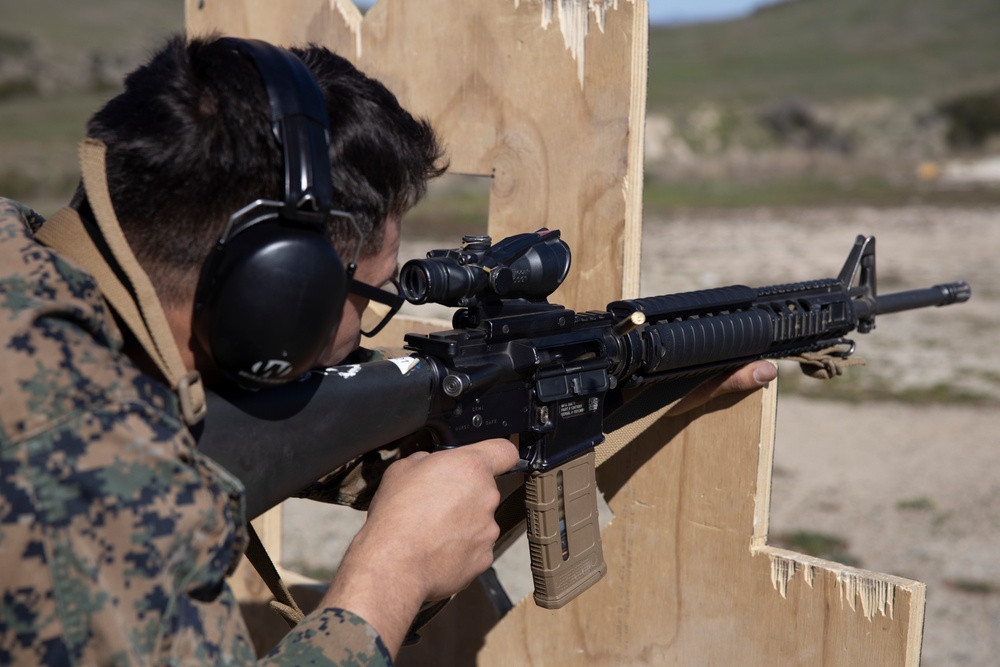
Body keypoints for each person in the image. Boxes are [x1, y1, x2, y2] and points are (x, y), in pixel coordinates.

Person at [0, 34, 776, 665]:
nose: (363, 339)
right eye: (372, 301)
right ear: (283, 290)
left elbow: (294, 421)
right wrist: (388, 579)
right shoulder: (91, 468)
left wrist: (630, 384)